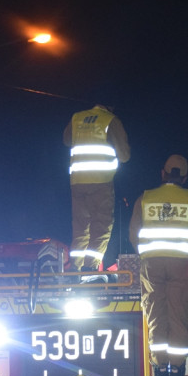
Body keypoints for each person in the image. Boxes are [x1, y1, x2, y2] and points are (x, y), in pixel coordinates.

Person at [128, 154, 188, 376]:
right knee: (178, 318)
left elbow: (134, 235)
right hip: (181, 265)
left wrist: (148, 254)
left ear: (162, 173)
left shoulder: (145, 199)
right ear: (184, 178)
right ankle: (176, 374)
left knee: (156, 316)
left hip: (151, 265)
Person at [64, 103, 131, 272]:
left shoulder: (77, 118)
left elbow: (66, 140)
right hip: (101, 181)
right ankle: (90, 268)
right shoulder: (111, 121)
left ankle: (74, 268)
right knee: (101, 226)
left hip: (77, 181)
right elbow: (124, 156)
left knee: (80, 227)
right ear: (111, 106)